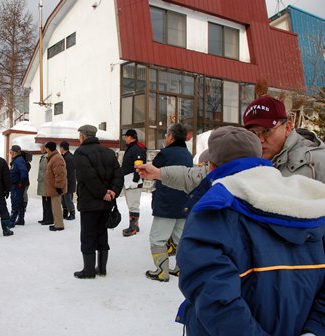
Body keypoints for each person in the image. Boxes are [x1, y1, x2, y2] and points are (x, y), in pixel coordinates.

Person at [175, 126, 325, 335]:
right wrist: (315, 329)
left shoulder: (214, 209)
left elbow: (215, 298)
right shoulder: (308, 202)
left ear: (212, 166)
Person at [137, 95, 325, 191]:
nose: (260, 139)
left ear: (288, 126)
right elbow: (200, 176)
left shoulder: (316, 162)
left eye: (266, 131)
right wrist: (159, 173)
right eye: (253, 133)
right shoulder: (247, 157)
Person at [73, 124, 124, 279]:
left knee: (88, 235)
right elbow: (118, 174)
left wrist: (102, 193)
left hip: (90, 202)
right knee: (102, 233)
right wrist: (112, 191)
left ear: (82, 136)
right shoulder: (109, 152)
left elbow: (88, 177)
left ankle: (88, 271)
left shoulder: (80, 153)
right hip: (106, 203)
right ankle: (101, 269)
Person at [146, 123, 193, 282]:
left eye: (166, 135)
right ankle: (181, 269)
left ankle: (161, 271)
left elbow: (152, 171)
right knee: (180, 238)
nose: (165, 138)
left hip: (166, 202)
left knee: (157, 238)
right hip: (184, 203)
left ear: (171, 137)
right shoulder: (188, 154)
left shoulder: (165, 154)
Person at [121, 129, 147, 237]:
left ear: (131, 137)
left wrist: (135, 180)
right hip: (129, 180)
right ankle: (134, 226)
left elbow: (139, 166)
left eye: (126, 137)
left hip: (133, 181)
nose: (125, 139)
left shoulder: (137, 149)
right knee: (131, 204)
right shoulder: (131, 148)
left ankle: (133, 228)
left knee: (133, 205)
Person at [44, 141, 67, 231]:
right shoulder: (54, 157)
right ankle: (57, 223)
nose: (46, 151)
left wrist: (58, 186)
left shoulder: (56, 158)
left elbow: (60, 174)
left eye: (46, 149)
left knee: (56, 206)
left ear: (49, 149)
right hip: (54, 187)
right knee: (55, 206)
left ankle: (59, 225)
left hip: (56, 188)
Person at [9, 145, 29, 227]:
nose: (10, 153)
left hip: (17, 185)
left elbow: (24, 172)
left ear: (15, 152)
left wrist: (21, 182)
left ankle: (11, 221)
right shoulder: (16, 160)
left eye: (11, 151)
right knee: (20, 203)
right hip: (17, 185)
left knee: (15, 203)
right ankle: (21, 219)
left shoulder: (18, 160)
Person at [37, 143, 53, 225]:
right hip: (42, 182)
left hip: (46, 182)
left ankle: (49, 219)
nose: (40, 149)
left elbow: (46, 170)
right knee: (44, 201)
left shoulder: (47, 157)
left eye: (41, 148)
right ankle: (45, 217)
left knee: (47, 201)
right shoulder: (44, 157)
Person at [59, 141, 76, 220]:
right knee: (64, 199)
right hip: (67, 182)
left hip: (68, 182)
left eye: (60, 147)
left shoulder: (68, 158)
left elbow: (68, 172)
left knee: (68, 199)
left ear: (62, 148)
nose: (59, 149)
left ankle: (72, 213)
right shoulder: (67, 156)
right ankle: (65, 213)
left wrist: (65, 182)